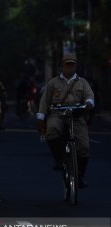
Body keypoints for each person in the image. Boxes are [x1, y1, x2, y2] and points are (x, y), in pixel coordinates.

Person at [37, 52, 94, 188]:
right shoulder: (53, 82)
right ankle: (59, 160)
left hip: (76, 115)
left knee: (84, 147)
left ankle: (79, 175)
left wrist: (89, 103)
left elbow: (89, 96)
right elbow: (44, 101)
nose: (69, 67)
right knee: (52, 129)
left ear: (75, 66)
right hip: (58, 114)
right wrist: (41, 118)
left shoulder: (82, 82)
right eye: (67, 64)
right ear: (62, 66)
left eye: (72, 65)